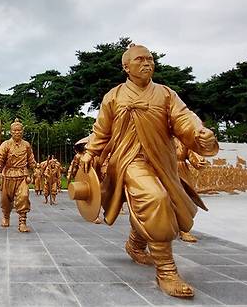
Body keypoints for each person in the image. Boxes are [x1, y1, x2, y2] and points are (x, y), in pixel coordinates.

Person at [80, 43, 218, 298]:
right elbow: (101, 130)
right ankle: (166, 270)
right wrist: (90, 152)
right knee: (155, 198)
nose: (147, 63)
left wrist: (199, 135)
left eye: (150, 59)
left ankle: (135, 243)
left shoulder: (166, 94)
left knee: (165, 205)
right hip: (130, 160)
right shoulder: (114, 96)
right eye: (140, 59)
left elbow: (184, 119)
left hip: (163, 161)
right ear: (126, 67)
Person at [0, 119, 37, 232]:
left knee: (24, 196)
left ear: (22, 131)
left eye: (19, 130)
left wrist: (35, 168)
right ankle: (6, 216)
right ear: (11, 132)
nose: (17, 132)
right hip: (8, 174)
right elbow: (0, 160)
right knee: (6, 199)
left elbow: (31, 159)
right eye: (15, 130)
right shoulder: (5, 145)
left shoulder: (26, 145)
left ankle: (22, 221)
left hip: (22, 175)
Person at [174, 137, 209, 243]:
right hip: (164, 170)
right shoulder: (158, 135)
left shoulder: (184, 139)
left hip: (182, 173)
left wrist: (199, 162)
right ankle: (159, 229)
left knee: (186, 201)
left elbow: (192, 153)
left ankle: (184, 229)